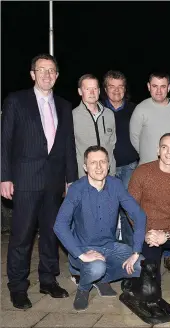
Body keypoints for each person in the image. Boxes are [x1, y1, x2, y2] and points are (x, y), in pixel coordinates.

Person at [1, 54, 77, 309]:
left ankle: (48, 279)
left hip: (54, 181)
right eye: (41, 70)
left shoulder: (65, 106)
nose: (47, 74)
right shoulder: (16, 100)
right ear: (32, 74)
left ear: (57, 75)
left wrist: (71, 180)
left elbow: (68, 146)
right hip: (24, 180)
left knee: (50, 234)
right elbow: (5, 142)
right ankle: (18, 286)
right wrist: (4, 177)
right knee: (22, 236)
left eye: (52, 70)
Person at [53, 146, 146, 311]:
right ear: (85, 167)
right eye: (93, 162)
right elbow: (60, 225)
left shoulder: (115, 185)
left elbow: (139, 215)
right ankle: (83, 287)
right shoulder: (77, 189)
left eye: (102, 161)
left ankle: (102, 279)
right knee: (97, 267)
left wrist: (136, 252)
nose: (98, 167)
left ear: (108, 165)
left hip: (110, 246)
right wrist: (81, 254)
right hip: (84, 248)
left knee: (140, 265)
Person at [128, 133, 170, 300]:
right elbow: (131, 209)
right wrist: (145, 233)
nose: (169, 152)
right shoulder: (142, 172)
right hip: (147, 230)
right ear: (158, 150)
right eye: (164, 147)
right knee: (153, 292)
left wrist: (166, 234)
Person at [129, 72, 170, 270]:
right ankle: (143, 249)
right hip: (148, 172)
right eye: (154, 86)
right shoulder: (140, 109)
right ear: (148, 86)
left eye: (163, 86)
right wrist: (150, 158)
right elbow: (134, 138)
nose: (159, 90)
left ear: (169, 87)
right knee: (146, 212)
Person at [101, 70, 140, 247]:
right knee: (106, 211)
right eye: (112, 86)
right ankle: (108, 251)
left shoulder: (135, 109)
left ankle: (129, 255)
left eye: (120, 87)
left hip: (130, 167)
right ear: (105, 88)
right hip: (105, 169)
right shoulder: (98, 109)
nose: (116, 91)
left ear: (125, 89)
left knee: (128, 210)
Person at [72, 74, 117, 178]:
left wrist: (112, 169)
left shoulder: (109, 114)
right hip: (84, 177)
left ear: (99, 91)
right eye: (87, 89)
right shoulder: (72, 116)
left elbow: (112, 143)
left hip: (108, 175)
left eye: (95, 88)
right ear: (80, 91)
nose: (92, 92)